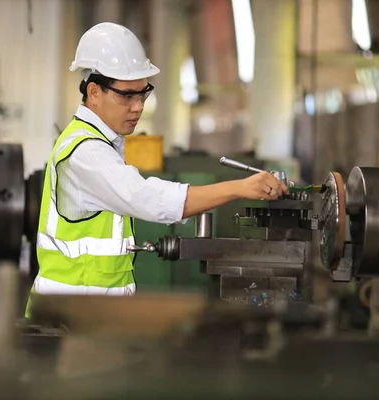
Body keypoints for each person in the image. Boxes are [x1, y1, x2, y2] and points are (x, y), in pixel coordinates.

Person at [25, 22, 287, 316]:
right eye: (127, 96)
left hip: (90, 314)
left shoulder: (101, 142)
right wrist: (239, 187)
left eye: (143, 94)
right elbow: (146, 199)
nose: (138, 107)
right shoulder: (86, 152)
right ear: (94, 92)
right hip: (68, 318)